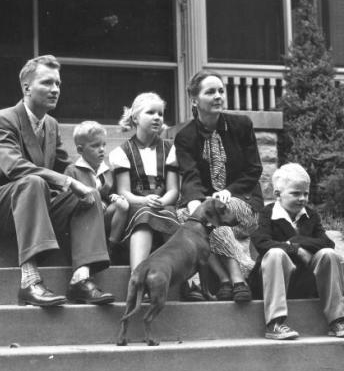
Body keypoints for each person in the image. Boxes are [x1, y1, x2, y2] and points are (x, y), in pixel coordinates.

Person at [0, 55, 114, 307]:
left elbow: (66, 167)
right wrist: (68, 183)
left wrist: (98, 187)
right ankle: (29, 281)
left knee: (88, 194)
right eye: (47, 83)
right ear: (26, 88)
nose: (55, 89)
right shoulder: (3, 119)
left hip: (35, 204)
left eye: (58, 84)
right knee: (33, 181)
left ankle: (80, 279)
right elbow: (14, 167)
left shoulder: (51, 125)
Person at [174, 70, 263, 303]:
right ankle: (230, 281)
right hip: (209, 206)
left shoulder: (242, 125)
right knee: (197, 217)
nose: (218, 96)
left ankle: (232, 279)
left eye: (221, 91)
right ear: (194, 100)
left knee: (213, 215)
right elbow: (190, 175)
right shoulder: (185, 136)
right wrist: (196, 202)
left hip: (242, 203)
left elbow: (254, 170)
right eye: (210, 92)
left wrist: (229, 191)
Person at [249, 163, 344, 340]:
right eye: (296, 193)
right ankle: (275, 323)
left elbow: (327, 243)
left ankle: (337, 320)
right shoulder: (266, 213)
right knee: (276, 253)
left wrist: (296, 240)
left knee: (328, 255)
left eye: (305, 193)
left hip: (302, 282)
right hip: (271, 282)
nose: (302, 198)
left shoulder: (311, 215)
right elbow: (261, 243)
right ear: (278, 194)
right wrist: (296, 250)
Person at [109, 92, 180, 272]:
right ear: (135, 117)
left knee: (169, 215)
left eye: (160, 114)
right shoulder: (123, 152)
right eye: (150, 112)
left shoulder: (170, 150)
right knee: (144, 216)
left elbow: (173, 190)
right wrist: (144, 200)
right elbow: (124, 192)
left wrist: (162, 201)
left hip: (163, 205)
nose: (157, 117)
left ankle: (179, 278)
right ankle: (137, 275)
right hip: (136, 206)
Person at [64, 121, 130, 247]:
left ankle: (111, 246)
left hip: (103, 217)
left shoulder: (107, 171)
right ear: (80, 150)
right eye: (95, 146)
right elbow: (68, 201)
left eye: (103, 145)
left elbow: (110, 193)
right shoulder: (72, 171)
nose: (101, 150)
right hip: (83, 219)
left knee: (123, 205)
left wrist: (114, 197)